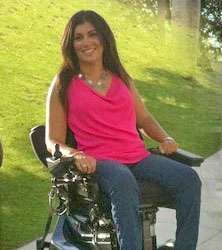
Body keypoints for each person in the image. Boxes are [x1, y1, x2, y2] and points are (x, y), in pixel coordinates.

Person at [44, 10, 201, 249]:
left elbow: (144, 118)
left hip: (138, 157)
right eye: (78, 37)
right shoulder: (63, 83)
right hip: (100, 163)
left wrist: (165, 137)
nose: (86, 42)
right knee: (122, 180)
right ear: (71, 44)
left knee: (189, 179)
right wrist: (76, 155)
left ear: (103, 38)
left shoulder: (122, 79)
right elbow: (52, 140)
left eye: (92, 34)